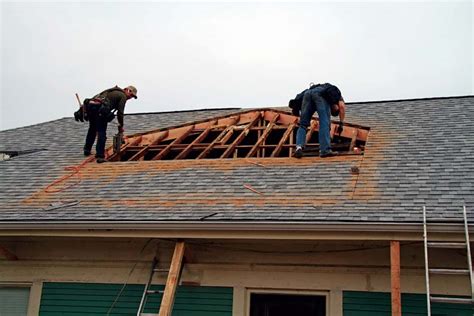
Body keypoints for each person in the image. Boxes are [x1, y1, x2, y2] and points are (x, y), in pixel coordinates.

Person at [82, 85, 137, 163]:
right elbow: (120, 113)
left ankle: (87, 150)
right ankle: (100, 156)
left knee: (92, 129)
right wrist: (121, 125)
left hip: (91, 109)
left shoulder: (110, 91)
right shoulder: (122, 96)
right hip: (100, 111)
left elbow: (92, 100)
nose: (130, 98)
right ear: (127, 90)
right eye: (131, 95)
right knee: (101, 133)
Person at [293, 83, 346, 158]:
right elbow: (342, 107)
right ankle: (325, 150)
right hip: (320, 95)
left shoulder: (322, 87)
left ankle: (299, 148)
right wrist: (341, 123)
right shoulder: (336, 94)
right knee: (324, 123)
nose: (331, 111)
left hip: (307, 94)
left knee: (303, 124)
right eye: (334, 112)